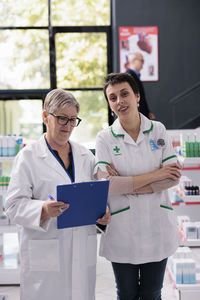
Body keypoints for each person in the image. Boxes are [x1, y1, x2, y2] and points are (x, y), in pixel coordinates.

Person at [5, 88, 110, 300]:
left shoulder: (85, 155)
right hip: (46, 252)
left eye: (73, 120)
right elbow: (13, 206)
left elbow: (94, 197)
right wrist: (42, 209)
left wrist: (102, 215)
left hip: (81, 246)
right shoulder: (28, 157)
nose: (69, 126)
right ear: (45, 117)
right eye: (62, 118)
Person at [94, 73, 181, 300]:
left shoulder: (158, 130)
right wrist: (156, 175)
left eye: (124, 94)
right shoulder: (105, 138)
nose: (119, 101)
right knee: (126, 293)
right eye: (112, 98)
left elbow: (172, 177)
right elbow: (107, 185)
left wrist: (127, 184)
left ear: (137, 96)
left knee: (152, 293)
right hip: (123, 230)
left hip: (157, 227)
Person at [126, 52, 155, 120]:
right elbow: (134, 98)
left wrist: (147, 112)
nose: (143, 63)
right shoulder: (129, 76)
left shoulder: (134, 76)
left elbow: (141, 97)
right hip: (136, 116)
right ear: (134, 61)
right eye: (142, 60)